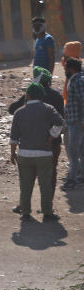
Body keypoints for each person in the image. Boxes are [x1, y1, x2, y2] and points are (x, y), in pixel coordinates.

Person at [10, 82, 65, 220]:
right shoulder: (48, 109)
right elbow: (60, 122)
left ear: (27, 95)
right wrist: (51, 137)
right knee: (45, 185)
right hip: (44, 153)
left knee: (25, 185)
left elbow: (14, 137)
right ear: (41, 96)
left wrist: (12, 153)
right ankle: (47, 212)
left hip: (24, 154)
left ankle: (26, 212)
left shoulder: (19, 112)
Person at [62, 57, 84, 191]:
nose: (65, 71)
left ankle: (72, 179)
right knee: (80, 151)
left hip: (76, 122)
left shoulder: (78, 81)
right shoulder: (75, 80)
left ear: (71, 69)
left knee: (74, 152)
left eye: (66, 69)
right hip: (74, 121)